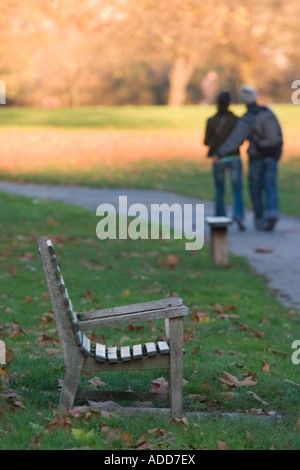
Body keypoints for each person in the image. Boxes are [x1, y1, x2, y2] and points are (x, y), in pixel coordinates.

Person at [215, 85, 283, 231]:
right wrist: (278, 152)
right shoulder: (268, 112)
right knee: (271, 186)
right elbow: (278, 134)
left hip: (256, 157)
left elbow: (236, 139)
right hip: (272, 156)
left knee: (255, 188)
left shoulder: (248, 118)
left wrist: (220, 152)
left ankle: (260, 219)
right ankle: (272, 212)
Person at [204, 91, 245, 231]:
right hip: (235, 157)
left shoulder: (211, 121)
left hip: (218, 160)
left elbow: (206, 141)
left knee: (220, 190)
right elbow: (240, 139)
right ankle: (238, 215)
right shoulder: (236, 120)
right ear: (229, 103)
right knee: (237, 189)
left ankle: (221, 218)